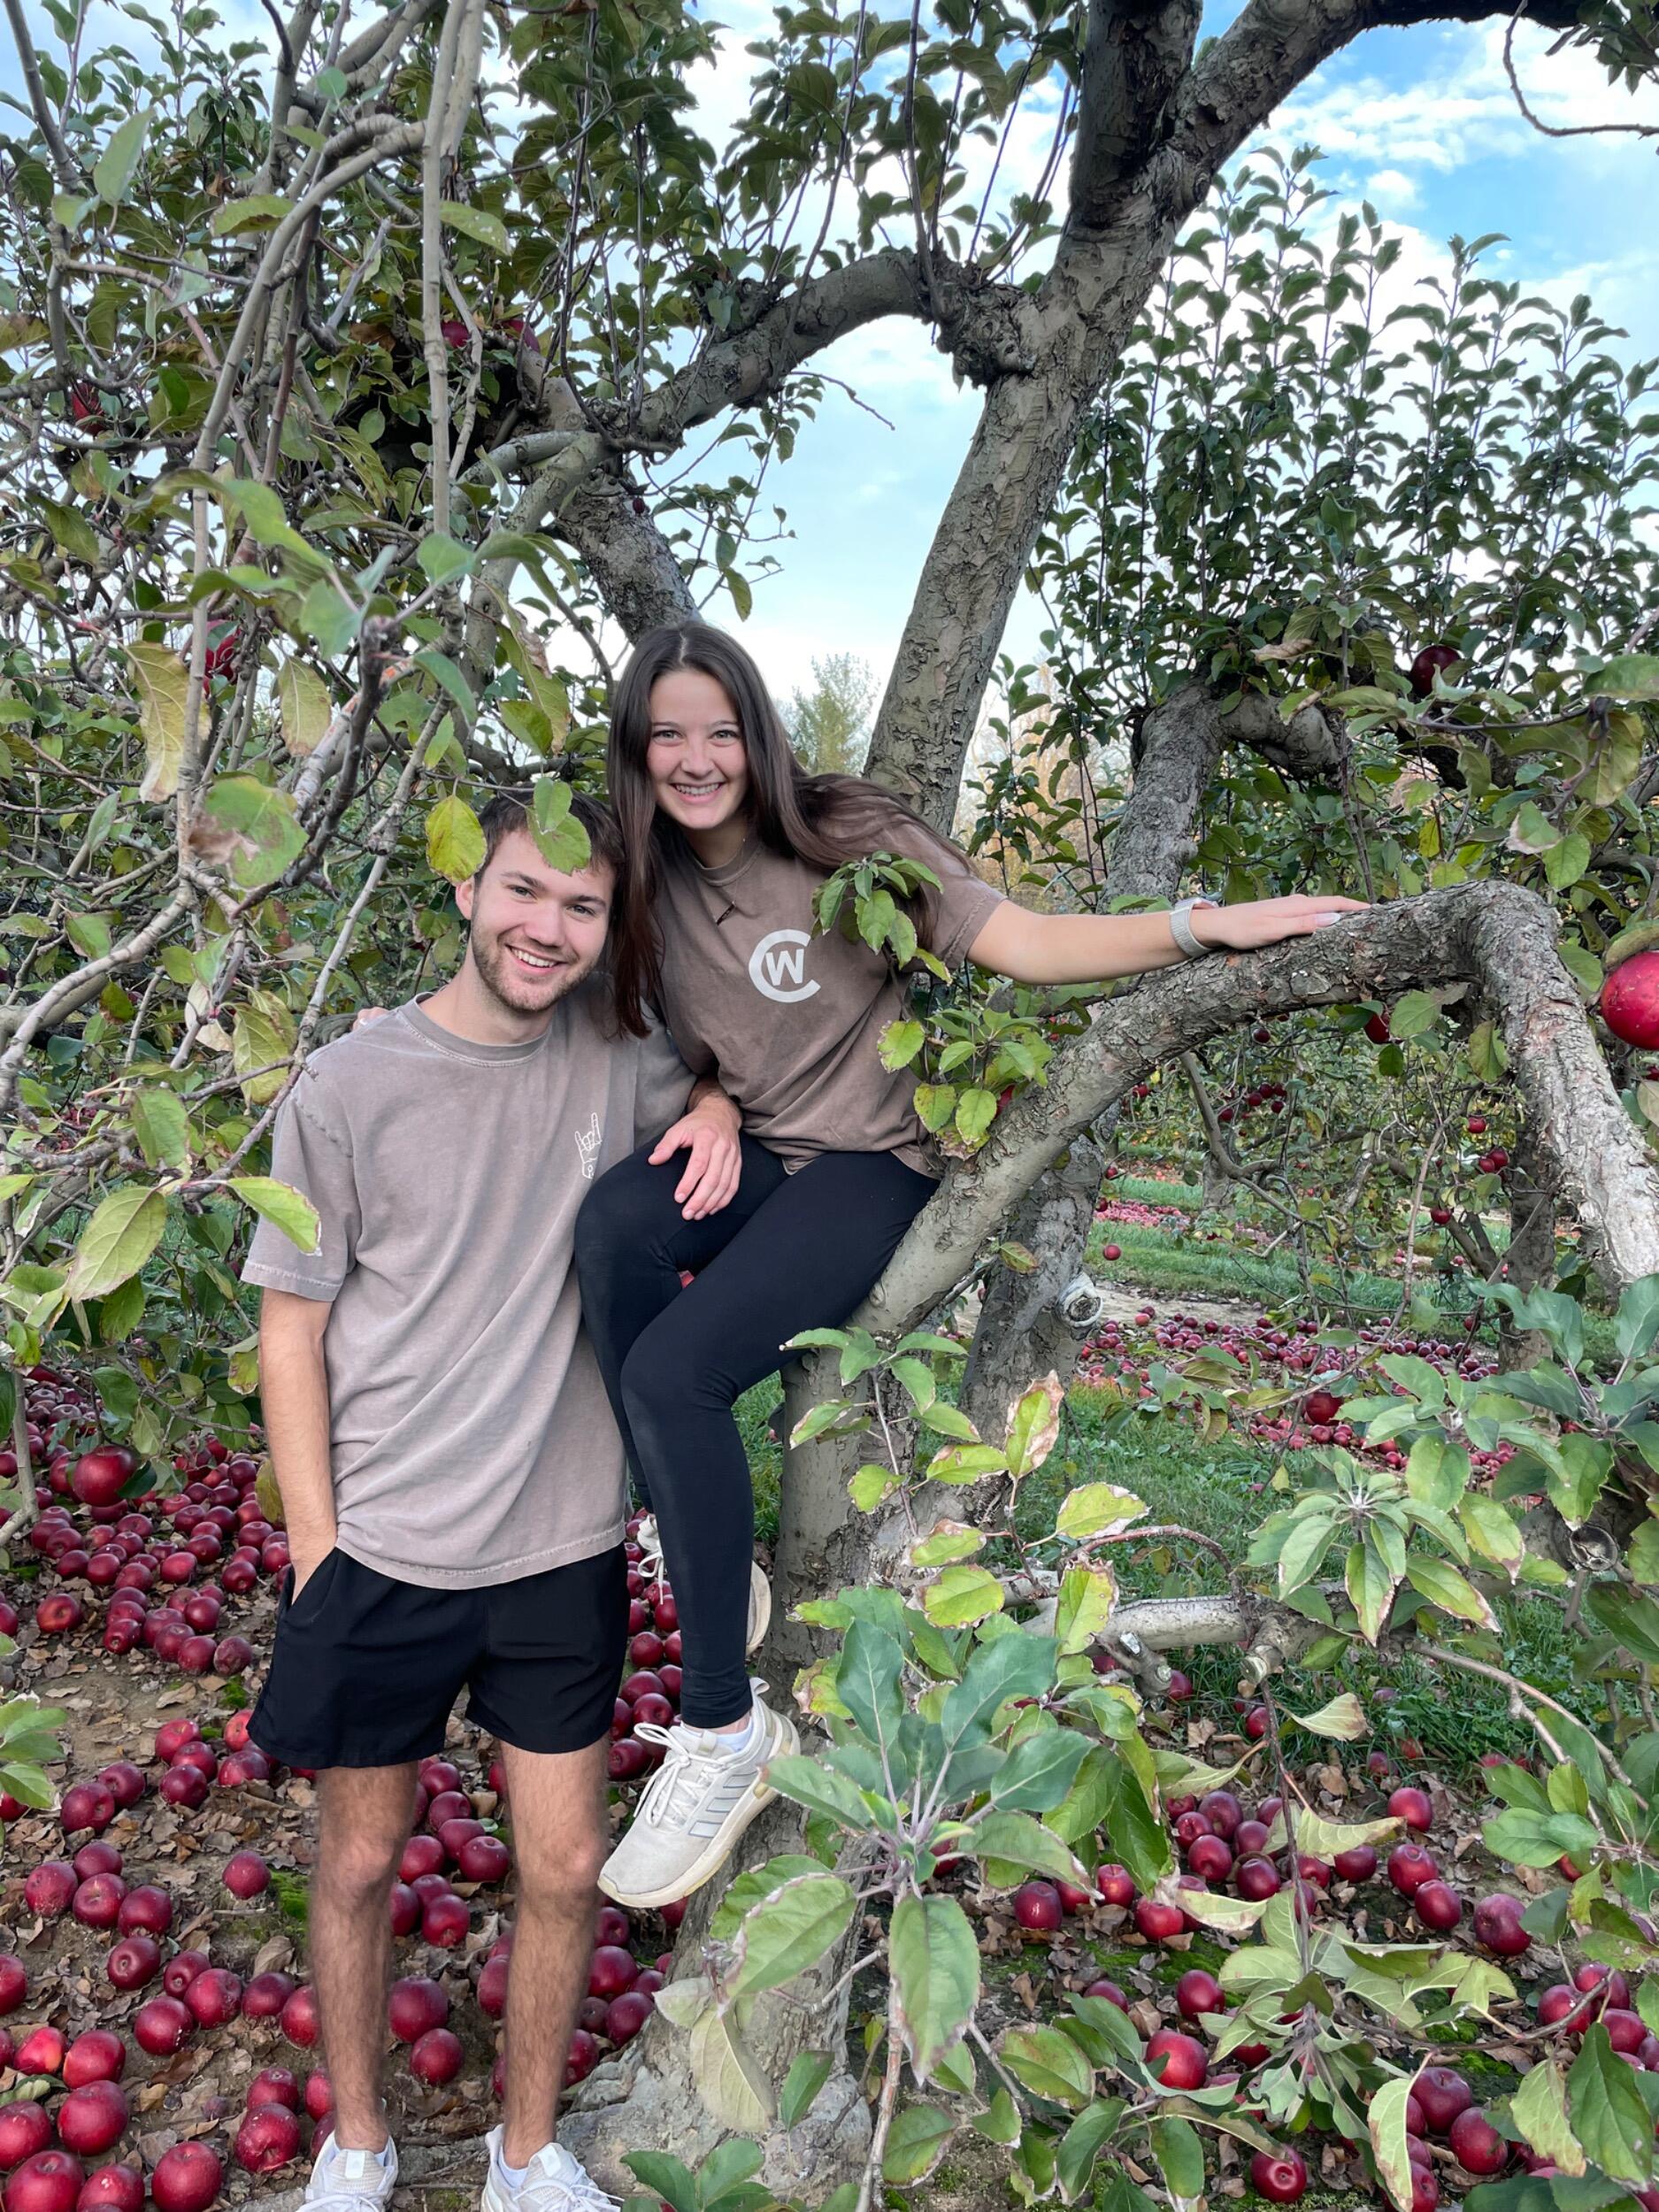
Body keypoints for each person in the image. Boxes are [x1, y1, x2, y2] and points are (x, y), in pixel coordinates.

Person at [574, 623, 1367, 1910]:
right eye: (668, 733)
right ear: (637, 748)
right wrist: (712, 1098)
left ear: (758, 736)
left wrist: (1206, 925)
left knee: (675, 1377)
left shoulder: (848, 835)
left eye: (721, 730)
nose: (697, 757)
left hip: (871, 1161)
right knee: (614, 1229)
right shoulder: (645, 886)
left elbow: (1030, 943)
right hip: (761, 1147)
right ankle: (700, 1540)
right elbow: (694, 1037)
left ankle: (724, 1727)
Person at [242, 791, 741, 2212]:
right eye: (525, 890)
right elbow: (293, 1326)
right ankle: (358, 2144)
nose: (548, 929)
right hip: (383, 1542)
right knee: (359, 1861)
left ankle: (524, 2159)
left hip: (557, 1546)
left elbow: (731, 1078)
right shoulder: (348, 1084)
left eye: (583, 907)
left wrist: (712, 1100)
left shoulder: (616, 1057)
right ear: (466, 886)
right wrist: (317, 1549)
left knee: (567, 1868)